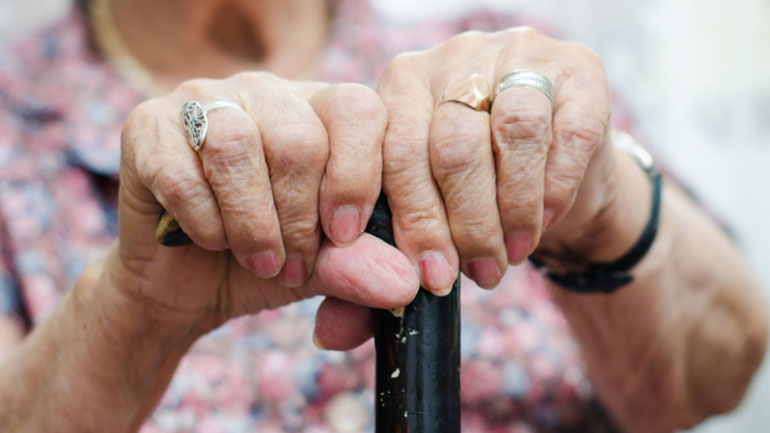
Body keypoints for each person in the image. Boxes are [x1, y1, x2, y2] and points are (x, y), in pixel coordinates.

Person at [0, 0, 766, 432]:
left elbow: (719, 371)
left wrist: (600, 205)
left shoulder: (503, 67)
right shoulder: (15, 129)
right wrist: (132, 312)